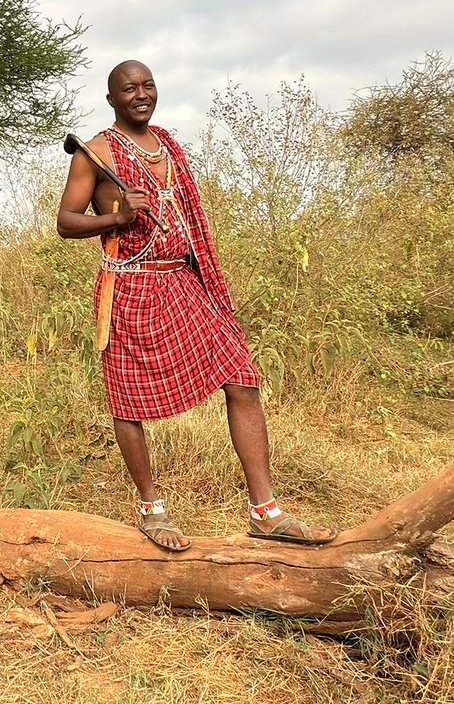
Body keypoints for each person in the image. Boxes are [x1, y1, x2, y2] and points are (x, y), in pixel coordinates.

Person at [56, 60, 336, 551]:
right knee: (128, 398)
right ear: (111, 99)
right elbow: (66, 221)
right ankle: (151, 509)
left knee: (242, 376)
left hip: (186, 283)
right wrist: (117, 218)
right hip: (132, 288)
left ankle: (265, 512)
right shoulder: (95, 153)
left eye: (148, 86)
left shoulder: (168, 144)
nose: (141, 95)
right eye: (129, 89)